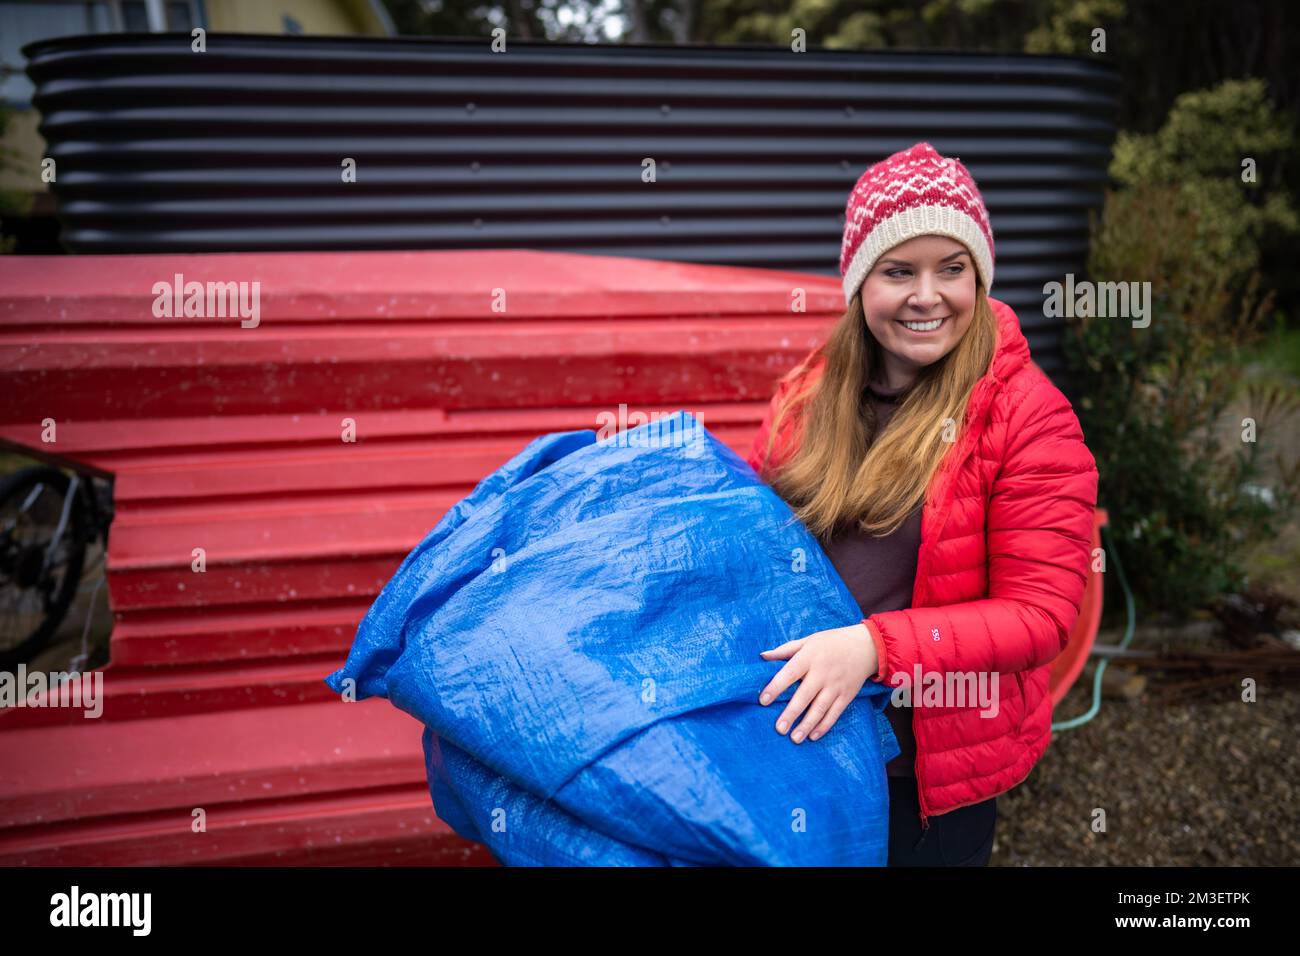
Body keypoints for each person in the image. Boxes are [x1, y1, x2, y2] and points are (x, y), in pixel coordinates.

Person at [745, 141, 1099, 866]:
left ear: (980, 275)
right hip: (800, 745)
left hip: (926, 778)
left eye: (952, 268)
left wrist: (875, 648)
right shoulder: (808, 396)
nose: (927, 295)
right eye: (898, 270)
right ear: (858, 282)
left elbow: (1041, 616)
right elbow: (750, 538)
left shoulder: (1029, 416)